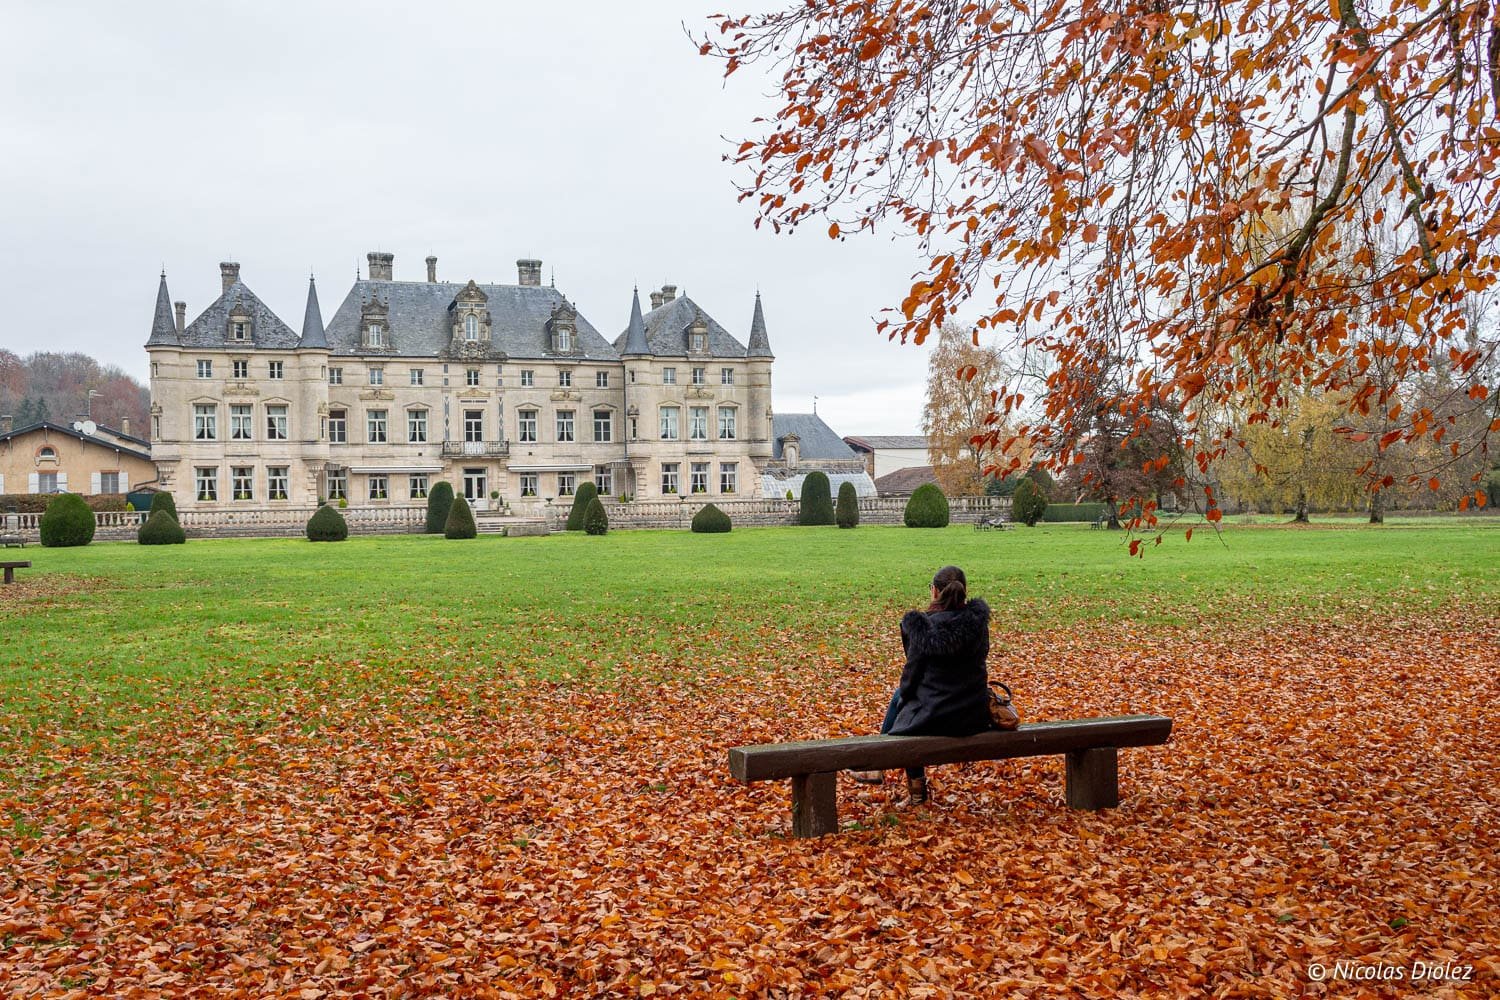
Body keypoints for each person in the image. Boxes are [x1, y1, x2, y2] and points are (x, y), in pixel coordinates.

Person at [854, 565, 993, 804]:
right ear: (964, 592)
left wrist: (908, 694)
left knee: (904, 703)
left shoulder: (923, 627)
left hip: (936, 716)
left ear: (934, 592)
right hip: (974, 713)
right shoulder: (978, 624)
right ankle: (885, 770)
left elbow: (912, 675)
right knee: (906, 702)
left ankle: (883, 768)